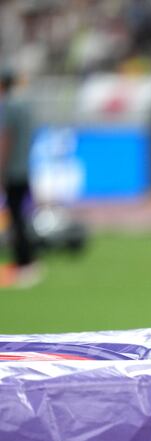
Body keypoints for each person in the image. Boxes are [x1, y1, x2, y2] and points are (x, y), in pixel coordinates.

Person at [0, 69, 39, 288]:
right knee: (21, 217)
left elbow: (6, 139)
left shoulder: (10, 106)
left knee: (16, 219)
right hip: (25, 167)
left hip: (13, 170)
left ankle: (24, 263)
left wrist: (1, 169)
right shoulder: (25, 105)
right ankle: (28, 261)